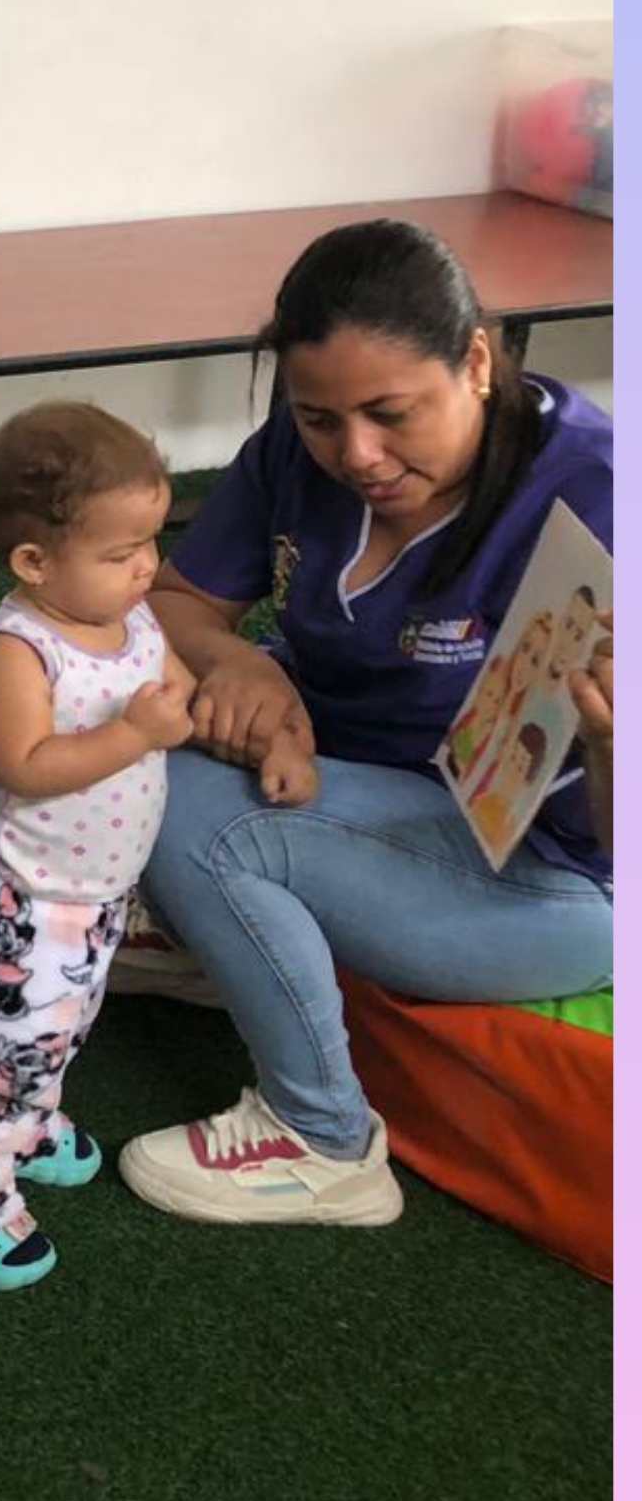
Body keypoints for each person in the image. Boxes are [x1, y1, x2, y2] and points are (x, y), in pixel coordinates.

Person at [118, 216, 614, 1229]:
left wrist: (611, 743)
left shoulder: (598, 499)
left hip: (548, 881)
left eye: (393, 414)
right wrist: (237, 663)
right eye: (319, 419)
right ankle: (216, 938)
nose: (358, 454)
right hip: (354, 783)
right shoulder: (300, 450)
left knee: (192, 820)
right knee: (113, 726)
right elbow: (175, 604)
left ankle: (324, 1141)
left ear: (476, 362)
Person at [0, 400, 198, 1289]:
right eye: (121, 552)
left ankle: (27, 1124)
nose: (146, 566)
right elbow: (25, 765)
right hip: (14, 899)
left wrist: (189, 702)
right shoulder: (20, 647)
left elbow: (175, 680)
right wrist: (137, 734)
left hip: (92, 892)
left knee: (58, 1029)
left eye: (152, 541)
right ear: (34, 562)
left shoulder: (133, 616)